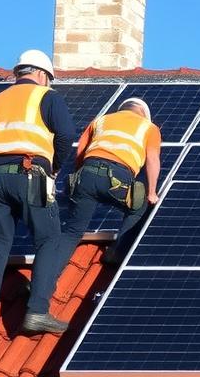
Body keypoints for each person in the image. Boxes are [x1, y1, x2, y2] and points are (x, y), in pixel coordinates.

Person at [0, 50, 76, 335]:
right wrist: (53, 167)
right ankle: (37, 312)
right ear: (41, 74)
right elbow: (66, 135)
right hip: (30, 174)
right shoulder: (46, 96)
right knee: (49, 239)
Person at [60, 96, 162, 267]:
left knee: (72, 232)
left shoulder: (100, 120)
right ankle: (117, 251)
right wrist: (152, 192)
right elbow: (152, 159)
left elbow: (80, 151)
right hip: (117, 176)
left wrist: (77, 179)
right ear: (144, 114)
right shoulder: (149, 127)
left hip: (87, 173)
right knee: (140, 206)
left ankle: (50, 270)